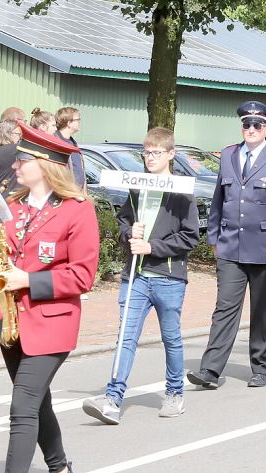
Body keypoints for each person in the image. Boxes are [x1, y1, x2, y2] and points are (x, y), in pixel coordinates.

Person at [0, 121, 99, 473]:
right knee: (38, 401)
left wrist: (28, 279)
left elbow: (82, 276)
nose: (14, 166)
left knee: (22, 405)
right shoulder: (14, 207)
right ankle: (58, 466)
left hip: (52, 324)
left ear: (43, 165)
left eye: (20, 160)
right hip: (12, 323)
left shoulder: (77, 209)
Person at [83, 127, 200, 424]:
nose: (150, 157)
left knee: (171, 338)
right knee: (126, 337)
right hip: (135, 276)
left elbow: (190, 237)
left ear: (170, 155)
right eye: (146, 152)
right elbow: (123, 220)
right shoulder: (138, 186)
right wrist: (128, 233)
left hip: (168, 278)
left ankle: (175, 394)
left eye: (156, 152)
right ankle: (113, 398)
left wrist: (153, 246)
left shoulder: (182, 192)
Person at [187, 101, 266, 390]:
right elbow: (218, 199)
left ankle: (260, 367)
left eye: (257, 125)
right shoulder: (228, 155)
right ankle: (210, 370)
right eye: (246, 124)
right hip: (230, 245)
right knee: (224, 308)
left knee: (261, 310)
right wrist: (213, 237)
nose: (251, 129)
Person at [51, 107, 85, 189]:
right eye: (78, 120)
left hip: (77, 193)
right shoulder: (55, 143)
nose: (79, 122)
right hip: (64, 192)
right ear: (69, 123)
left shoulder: (73, 142)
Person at [0, 119, 23, 196]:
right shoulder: (20, 150)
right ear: (12, 134)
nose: (20, 137)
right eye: (19, 134)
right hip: (13, 197)